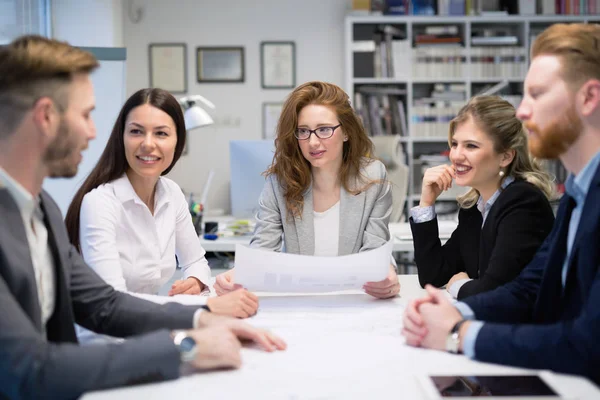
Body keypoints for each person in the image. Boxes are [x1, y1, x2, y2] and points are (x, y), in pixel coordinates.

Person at [0, 35, 285, 400]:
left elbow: (104, 304)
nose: (93, 131)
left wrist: (203, 318)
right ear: (45, 116)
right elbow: (29, 369)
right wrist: (186, 346)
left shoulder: (41, 210)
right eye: (86, 115)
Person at [402, 23, 600, 384]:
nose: (523, 112)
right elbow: (528, 288)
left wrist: (456, 331)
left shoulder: (528, 199)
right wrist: (452, 310)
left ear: (588, 98)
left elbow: (588, 343)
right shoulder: (577, 195)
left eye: (536, 94)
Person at [64, 88, 258, 321]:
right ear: (121, 137)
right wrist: (206, 310)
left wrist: (195, 282)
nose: (148, 144)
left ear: (178, 141)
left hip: (150, 325)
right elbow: (112, 302)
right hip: (106, 336)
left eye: (161, 133)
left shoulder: (171, 193)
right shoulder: (99, 203)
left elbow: (195, 261)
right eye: (136, 131)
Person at [215, 81, 400, 299]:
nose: (312, 142)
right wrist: (240, 275)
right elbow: (262, 251)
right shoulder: (280, 182)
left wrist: (385, 274)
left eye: (324, 129)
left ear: (346, 132)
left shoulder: (373, 176)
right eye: (303, 131)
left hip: (354, 299)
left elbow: (375, 251)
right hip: (301, 301)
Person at [410, 95, 555, 300]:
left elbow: (495, 293)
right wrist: (426, 204)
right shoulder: (475, 208)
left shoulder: (523, 202)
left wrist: (459, 286)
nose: (456, 156)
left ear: (505, 156)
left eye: (471, 146)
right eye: (454, 144)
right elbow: (432, 275)